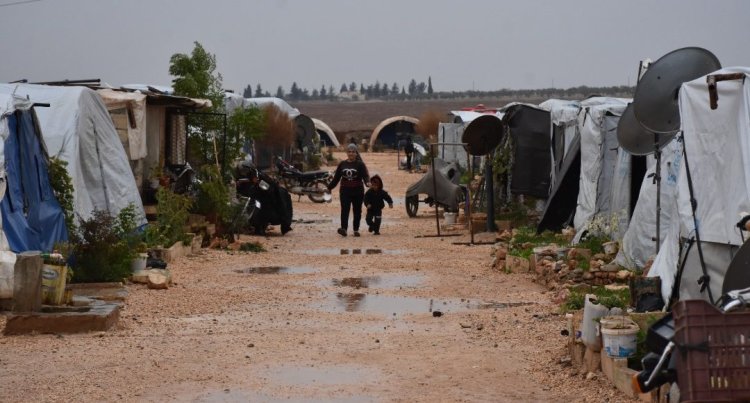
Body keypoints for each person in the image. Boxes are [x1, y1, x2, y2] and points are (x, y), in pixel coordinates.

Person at [328, 143, 370, 237]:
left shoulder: (360, 164)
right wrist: (329, 187)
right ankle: (344, 229)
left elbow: (365, 176)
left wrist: (368, 183)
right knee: (345, 210)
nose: (351, 153)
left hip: (358, 191)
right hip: (345, 191)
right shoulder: (342, 164)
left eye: (353, 152)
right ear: (347, 153)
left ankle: (356, 229)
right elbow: (336, 178)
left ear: (356, 153)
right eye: (349, 151)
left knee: (357, 210)